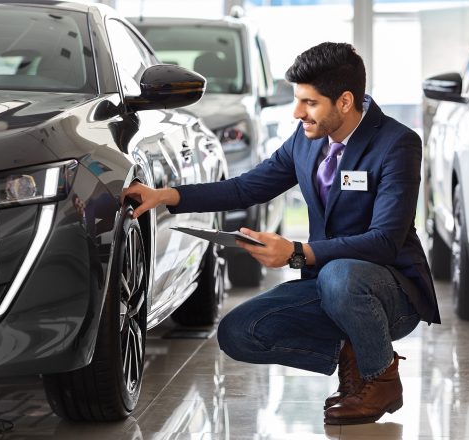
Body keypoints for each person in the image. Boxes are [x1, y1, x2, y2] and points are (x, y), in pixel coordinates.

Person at [123, 42, 440, 425]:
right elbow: (246, 188)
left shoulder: (397, 144)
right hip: (328, 284)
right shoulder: (305, 141)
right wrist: (166, 195)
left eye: (309, 102)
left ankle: (380, 376)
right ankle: (352, 352)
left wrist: (295, 252)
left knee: (342, 275)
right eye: (297, 100)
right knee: (237, 332)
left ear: (344, 101)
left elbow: (385, 241)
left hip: (389, 291)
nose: (297, 112)